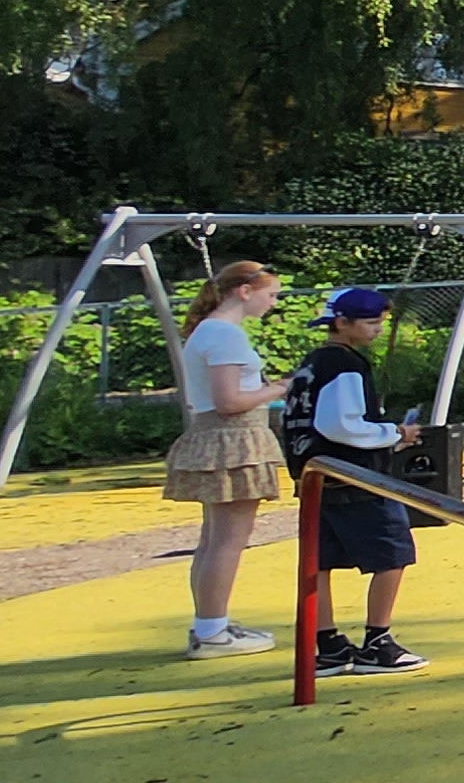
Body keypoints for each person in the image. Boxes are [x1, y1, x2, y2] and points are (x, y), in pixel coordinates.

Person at [283, 285, 429, 676]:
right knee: (392, 554)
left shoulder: (311, 363)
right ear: (341, 323)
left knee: (322, 560)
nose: (377, 329)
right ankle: (377, 641)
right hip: (355, 478)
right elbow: (340, 424)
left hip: (318, 476)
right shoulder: (346, 366)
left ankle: (327, 643)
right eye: (369, 322)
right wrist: (394, 434)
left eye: (380, 321)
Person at [162, 259, 288, 658]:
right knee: (228, 540)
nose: (274, 303)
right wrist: (284, 386)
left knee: (214, 539)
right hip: (232, 440)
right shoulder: (223, 335)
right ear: (244, 291)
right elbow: (229, 401)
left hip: (221, 437)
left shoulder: (211, 331)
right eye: (271, 295)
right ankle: (212, 632)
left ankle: (210, 624)